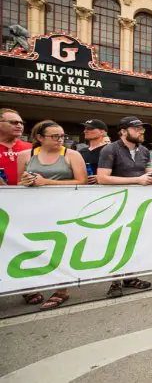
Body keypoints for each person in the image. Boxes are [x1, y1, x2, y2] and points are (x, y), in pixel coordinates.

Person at [17, 120, 87, 309]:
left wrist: (46, 182)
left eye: (62, 136)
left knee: (62, 248)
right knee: (35, 246)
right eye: (55, 136)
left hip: (65, 209)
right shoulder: (25, 155)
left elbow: (82, 181)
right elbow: (19, 183)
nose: (60, 139)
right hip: (35, 210)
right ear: (39, 138)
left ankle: (61, 290)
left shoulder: (72, 154)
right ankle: (32, 283)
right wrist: (25, 182)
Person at [97, 116, 152, 297]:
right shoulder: (110, 149)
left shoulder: (145, 150)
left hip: (138, 203)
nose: (141, 132)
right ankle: (115, 281)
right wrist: (137, 180)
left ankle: (131, 277)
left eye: (142, 129)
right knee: (117, 242)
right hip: (116, 202)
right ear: (123, 131)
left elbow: (149, 172)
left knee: (134, 241)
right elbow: (102, 178)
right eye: (137, 129)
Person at [0, 108, 32, 186]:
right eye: (14, 122)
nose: (19, 125)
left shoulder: (31, 147)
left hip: (26, 195)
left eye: (21, 123)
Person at [78, 119, 109, 184]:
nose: (85, 131)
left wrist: (102, 177)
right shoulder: (81, 151)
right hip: (82, 190)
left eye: (90, 128)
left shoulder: (110, 150)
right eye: (85, 129)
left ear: (102, 132)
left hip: (105, 190)